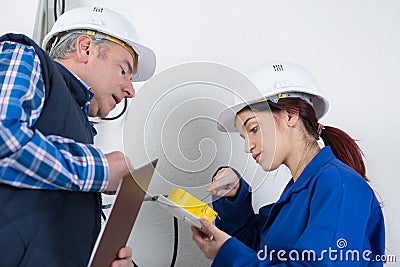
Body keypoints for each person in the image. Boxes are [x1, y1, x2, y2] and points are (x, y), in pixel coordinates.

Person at [0, 6, 155, 266]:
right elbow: (4, 135)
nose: (130, 90)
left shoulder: (80, 127)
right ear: (85, 48)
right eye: (123, 70)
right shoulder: (25, 56)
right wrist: (102, 168)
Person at [192, 62, 385, 266]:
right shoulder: (297, 196)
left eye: (253, 129)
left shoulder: (338, 185)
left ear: (290, 115)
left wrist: (228, 253)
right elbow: (259, 252)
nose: (248, 147)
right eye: (243, 137)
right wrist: (234, 195)